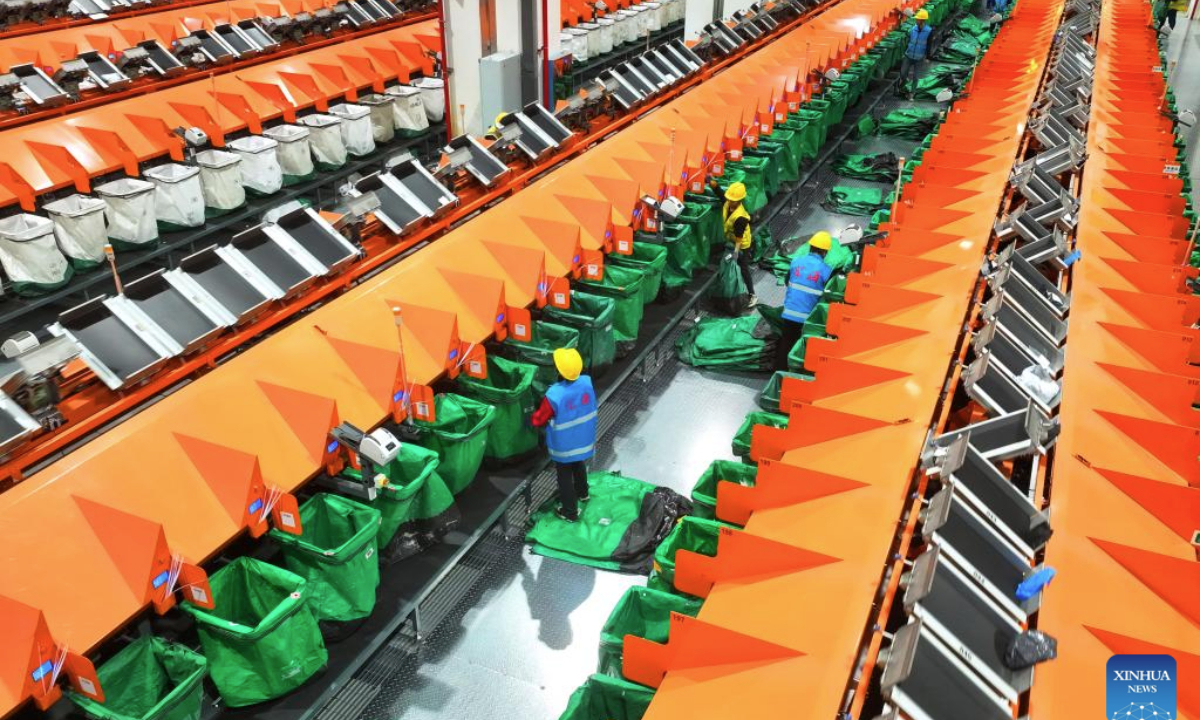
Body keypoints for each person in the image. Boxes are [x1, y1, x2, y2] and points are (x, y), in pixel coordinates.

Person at [531, 348, 597, 522]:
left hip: (564, 444)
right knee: (578, 462)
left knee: (564, 475)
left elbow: (540, 419)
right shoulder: (587, 382)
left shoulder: (555, 394)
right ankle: (583, 493)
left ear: (559, 370)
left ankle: (570, 512)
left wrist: (531, 420)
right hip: (583, 438)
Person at [776, 231, 834, 371]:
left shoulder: (796, 261)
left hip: (789, 311)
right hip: (808, 317)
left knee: (786, 341)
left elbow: (786, 281)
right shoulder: (826, 270)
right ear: (825, 252)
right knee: (802, 344)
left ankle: (778, 372)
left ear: (811, 247)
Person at [722, 181, 758, 306]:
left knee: (743, 269)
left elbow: (739, 237)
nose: (730, 201)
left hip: (743, 244)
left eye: (733, 200)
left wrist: (737, 252)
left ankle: (752, 294)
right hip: (731, 240)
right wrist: (712, 183)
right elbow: (720, 194)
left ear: (739, 200)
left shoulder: (740, 218)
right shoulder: (728, 203)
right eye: (729, 199)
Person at [900, 10, 933, 100]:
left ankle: (912, 93)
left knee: (916, 76)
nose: (916, 20)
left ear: (922, 20)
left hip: (919, 57)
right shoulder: (913, 29)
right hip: (909, 55)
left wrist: (928, 57)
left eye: (917, 19)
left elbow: (929, 44)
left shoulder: (929, 31)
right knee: (903, 74)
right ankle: (904, 86)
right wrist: (904, 52)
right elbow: (908, 41)